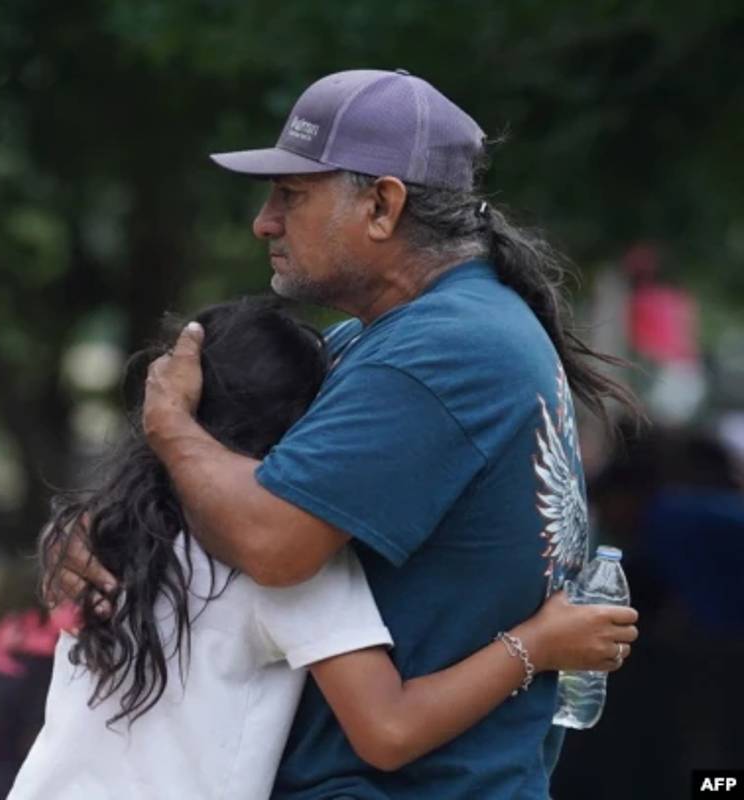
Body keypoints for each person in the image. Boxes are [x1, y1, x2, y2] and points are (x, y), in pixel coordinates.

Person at [49, 69, 642, 798]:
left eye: (292, 196)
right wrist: (101, 523)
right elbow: (236, 470)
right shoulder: (387, 340)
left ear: (383, 205)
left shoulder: (445, 349)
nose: (264, 221)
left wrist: (168, 426)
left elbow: (273, 543)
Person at [14, 299, 636, 799]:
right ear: (312, 433)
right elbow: (388, 731)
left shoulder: (113, 530)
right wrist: (537, 645)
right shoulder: (282, 559)